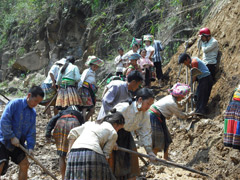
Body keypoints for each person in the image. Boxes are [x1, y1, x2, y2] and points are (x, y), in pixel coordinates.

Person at [109, 88, 156, 180]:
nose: (149, 107)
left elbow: (145, 132)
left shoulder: (146, 114)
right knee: (112, 162)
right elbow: (109, 122)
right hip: (113, 133)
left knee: (132, 165)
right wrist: (112, 140)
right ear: (140, 100)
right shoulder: (124, 107)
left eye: (151, 105)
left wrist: (149, 151)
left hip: (127, 136)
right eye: (148, 104)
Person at [65, 110, 125, 180]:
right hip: (92, 154)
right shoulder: (113, 132)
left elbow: (73, 132)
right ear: (115, 124)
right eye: (119, 128)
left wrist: (69, 152)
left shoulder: (90, 124)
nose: (117, 130)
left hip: (74, 153)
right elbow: (106, 154)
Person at [0, 86, 44, 178]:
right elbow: (4, 121)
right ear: (29, 95)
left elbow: (31, 131)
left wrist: (30, 147)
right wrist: (11, 136)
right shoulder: (15, 104)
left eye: (38, 103)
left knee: (25, 164)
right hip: (3, 140)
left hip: (17, 143)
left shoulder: (32, 112)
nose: (36, 104)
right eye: (35, 101)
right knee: (1, 164)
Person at [149, 83, 194, 160]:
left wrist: (188, 98)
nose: (183, 97)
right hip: (154, 116)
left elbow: (179, 104)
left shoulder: (171, 98)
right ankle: (152, 159)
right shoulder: (171, 102)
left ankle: (166, 157)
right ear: (179, 96)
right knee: (158, 138)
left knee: (167, 137)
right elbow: (181, 115)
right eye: (183, 96)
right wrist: (190, 114)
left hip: (159, 116)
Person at [45, 105, 84, 180]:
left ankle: (63, 177)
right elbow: (83, 127)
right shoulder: (79, 114)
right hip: (74, 123)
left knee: (61, 154)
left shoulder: (63, 112)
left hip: (60, 123)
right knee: (74, 153)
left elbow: (52, 121)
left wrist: (48, 134)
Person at [78, 56, 104, 121]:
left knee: (90, 109)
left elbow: (92, 81)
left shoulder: (93, 73)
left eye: (96, 67)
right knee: (85, 108)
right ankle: (83, 122)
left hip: (90, 90)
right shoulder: (86, 71)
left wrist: (95, 86)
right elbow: (82, 80)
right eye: (94, 66)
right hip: (85, 90)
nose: (95, 68)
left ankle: (84, 121)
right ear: (91, 65)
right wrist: (79, 89)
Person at [224, 84, 240, 149]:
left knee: (232, 125)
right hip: (238, 108)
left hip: (231, 107)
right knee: (237, 126)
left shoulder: (236, 89)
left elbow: (231, 99)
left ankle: (229, 142)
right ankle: (236, 144)